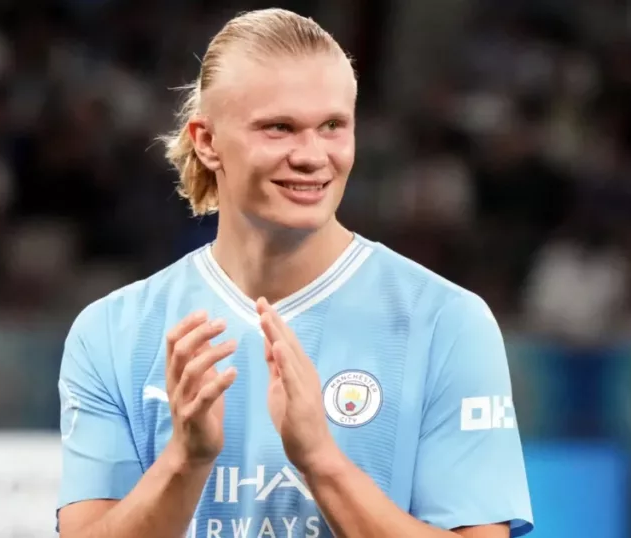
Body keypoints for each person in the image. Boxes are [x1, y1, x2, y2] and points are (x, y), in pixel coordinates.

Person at [55, 8, 533, 538]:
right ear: (207, 141)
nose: (311, 156)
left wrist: (322, 462)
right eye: (279, 128)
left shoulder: (447, 323)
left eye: (332, 126)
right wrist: (185, 461)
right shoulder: (111, 332)